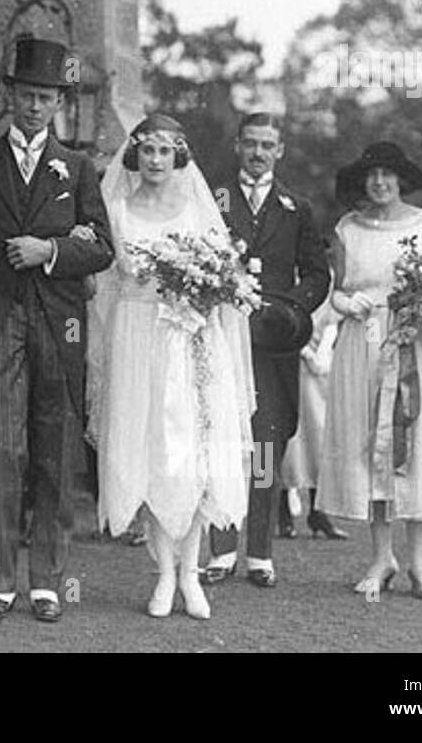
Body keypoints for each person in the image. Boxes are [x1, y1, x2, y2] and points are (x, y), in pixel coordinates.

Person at [0, 37, 114, 623]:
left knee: (55, 452)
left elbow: (103, 249)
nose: (36, 107)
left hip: (59, 324)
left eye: (47, 97)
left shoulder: (80, 168)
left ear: (59, 102)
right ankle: (1, 581)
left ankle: (46, 579)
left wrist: (50, 250)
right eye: (27, 95)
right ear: (9, 96)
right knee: (0, 448)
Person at [88, 114, 256, 620]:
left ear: (178, 155)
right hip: (137, 337)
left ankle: (190, 572)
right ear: (134, 155)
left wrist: (202, 301)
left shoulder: (197, 209)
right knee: (151, 452)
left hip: (192, 341)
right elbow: (105, 288)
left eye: (165, 151)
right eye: (147, 150)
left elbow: (224, 277)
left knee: (195, 454)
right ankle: (163, 574)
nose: (155, 160)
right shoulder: (115, 208)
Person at [318, 142, 422, 602]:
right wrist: (346, 303)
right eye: (372, 175)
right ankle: (382, 557)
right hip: (363, 341)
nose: (379, 182)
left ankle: (419, 562)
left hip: (414, 342)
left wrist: (421, 312)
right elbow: (334, 290)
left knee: (413, 443)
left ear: (402, 178)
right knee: (375, 444)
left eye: (388, 174)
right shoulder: (349, 228)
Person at [204, 112, 332, 588]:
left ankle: (258, 552)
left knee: (264, 443)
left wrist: (289, 309)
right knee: (221, 442)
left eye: (267, 146)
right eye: (251, 144)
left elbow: (318, 274)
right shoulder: (212, 199)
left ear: (280, 151)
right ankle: (220, 549)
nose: (258, 153)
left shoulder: (295, 208)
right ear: (238, 146)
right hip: (223, 337)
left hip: (273, 343)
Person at [280, 296, 349, 540]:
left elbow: (332, 319)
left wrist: (321, 353)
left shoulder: (327, 285)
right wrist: (305, 351)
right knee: (276, 443)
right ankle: (276, 508)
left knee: (318, 438)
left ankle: (318, 511)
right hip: (286, 364)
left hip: (317, 377)